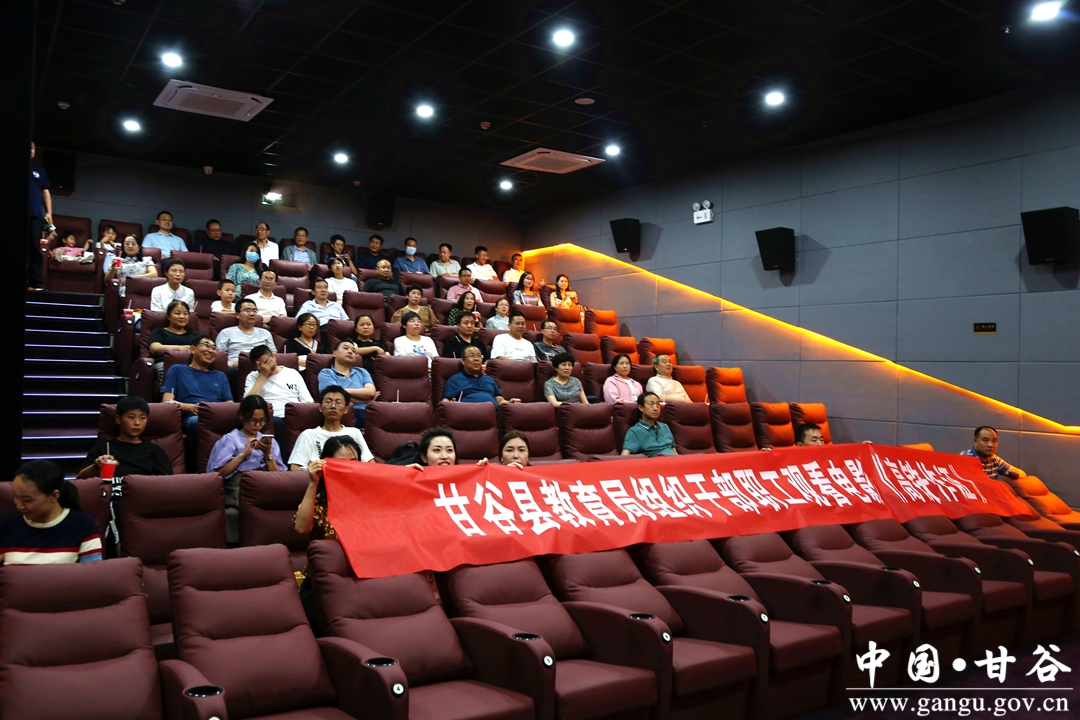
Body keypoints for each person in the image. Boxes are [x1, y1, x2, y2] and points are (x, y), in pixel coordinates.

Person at [206, 395, 285, 543]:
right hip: (237, 485)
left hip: (263, 483)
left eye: (262, 421)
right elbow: (217, 474)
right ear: (242, 416)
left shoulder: (270, 442)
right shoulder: (230, 440)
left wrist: (268, 453)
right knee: (233, 512)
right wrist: (243, 455)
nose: (257, 425)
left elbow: (278, 477)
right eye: (253, 420)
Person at [0, 460, 102, 565]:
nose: (19, 506)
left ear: (54, 495)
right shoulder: (8, 525)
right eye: (16, 497)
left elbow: (91, 572)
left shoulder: (82, 525)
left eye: (27, 500)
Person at [77, 396, 172, 478]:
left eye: (142, 418)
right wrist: (96, 466)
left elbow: (168, 483)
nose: (137, 423)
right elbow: (80, 478)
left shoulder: (154, 451)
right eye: (131, 417)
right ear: (118, 419)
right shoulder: (104, 447)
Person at [294, 436, 365, 538]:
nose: (348, 467)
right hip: (332, 547)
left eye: (353, 461)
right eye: (341, 463)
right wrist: (313, 483)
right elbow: (301, 528)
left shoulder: (368, 492)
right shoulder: (322, 498)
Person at [288, 386, 374, 469]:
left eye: (338, 403)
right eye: (328, 402)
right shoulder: (308, 435)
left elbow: (370, 463)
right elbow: (295, 467)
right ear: (320, 407)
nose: (333, 406)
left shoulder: (355, 433)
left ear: (346, 409)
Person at [162, 335, 232, 437]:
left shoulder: (220, 375)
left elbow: (229, 404)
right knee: (197, 422)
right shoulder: (177, 370)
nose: (210, 351)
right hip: (191, 417)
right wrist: (191, 407)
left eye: (214, 348)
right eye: (206, 345)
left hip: (216, 415)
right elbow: (167, 401)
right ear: (192, 349)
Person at [244, 345, 313, 423]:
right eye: (262, 365)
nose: (267, 367)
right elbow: (248, 404)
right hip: (271, 418)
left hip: (294, 417)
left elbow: (308, 402)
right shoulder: (253, 377)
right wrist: (262, 375)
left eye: (267, 362)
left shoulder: (292, 373)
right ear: (256, 366)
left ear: (274, 357)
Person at [317, 340, 378, 424]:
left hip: (366, 412)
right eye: (346, 348)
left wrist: (340, 390)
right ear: (335, 353)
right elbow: (334, 397)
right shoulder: (326, 373)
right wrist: (366, 399)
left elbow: (371, 393)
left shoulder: (362, 372)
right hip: (343, 412)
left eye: (353, 350)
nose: (350, 351)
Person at [215, 298, 275, 380]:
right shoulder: (226, 333)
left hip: (261, 366)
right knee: (232, 371)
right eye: (247, 310)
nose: (252, 314)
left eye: (254, 311)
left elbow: (273, 353)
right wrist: (231, 364)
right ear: (237, 314)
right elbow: (219, 356)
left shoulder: (265, 333)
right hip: (236, 368)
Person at [443, 346, 519, 406]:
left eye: (479, 356)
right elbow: (446, 400)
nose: (476, 359)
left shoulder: (489, 379)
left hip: (492, 413)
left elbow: (500, 400)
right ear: (463, 361)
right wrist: (450, 405)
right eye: (471, 356)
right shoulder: (455, 379)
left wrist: (509, 402)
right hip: (468, 413)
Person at [149, 300, 198, 390]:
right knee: (164, 370)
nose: (182, 316)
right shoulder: (160, 331)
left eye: (185, 313)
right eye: (177, 313)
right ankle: (166, 396)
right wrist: (182, 348)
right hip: (165, 363)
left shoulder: (194, 336)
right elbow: (155, 348)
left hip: (188, 365)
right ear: (169, 316)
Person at [622, 392, 677, 458]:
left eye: (658, 404)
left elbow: (674, 451)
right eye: (651, 404)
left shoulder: (665, 427)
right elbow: (624, 456)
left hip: (674, 460)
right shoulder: (635, 431)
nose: (655, 408)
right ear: (641, 407)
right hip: (657, 461)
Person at [28, 141, 52, 289]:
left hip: (35, 215)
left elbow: (45, 191)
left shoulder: (39, 169)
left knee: (34, 248)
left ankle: (36, 282)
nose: (30, 150)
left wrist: (48, 212)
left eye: (32, 148)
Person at [962, 426, 1027, 479]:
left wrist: (1012, 474)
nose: (990, 445)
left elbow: (1022, 474)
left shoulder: (994, 459)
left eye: (994, 441)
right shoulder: (965, 458)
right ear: (975, 441)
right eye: (985, 440)